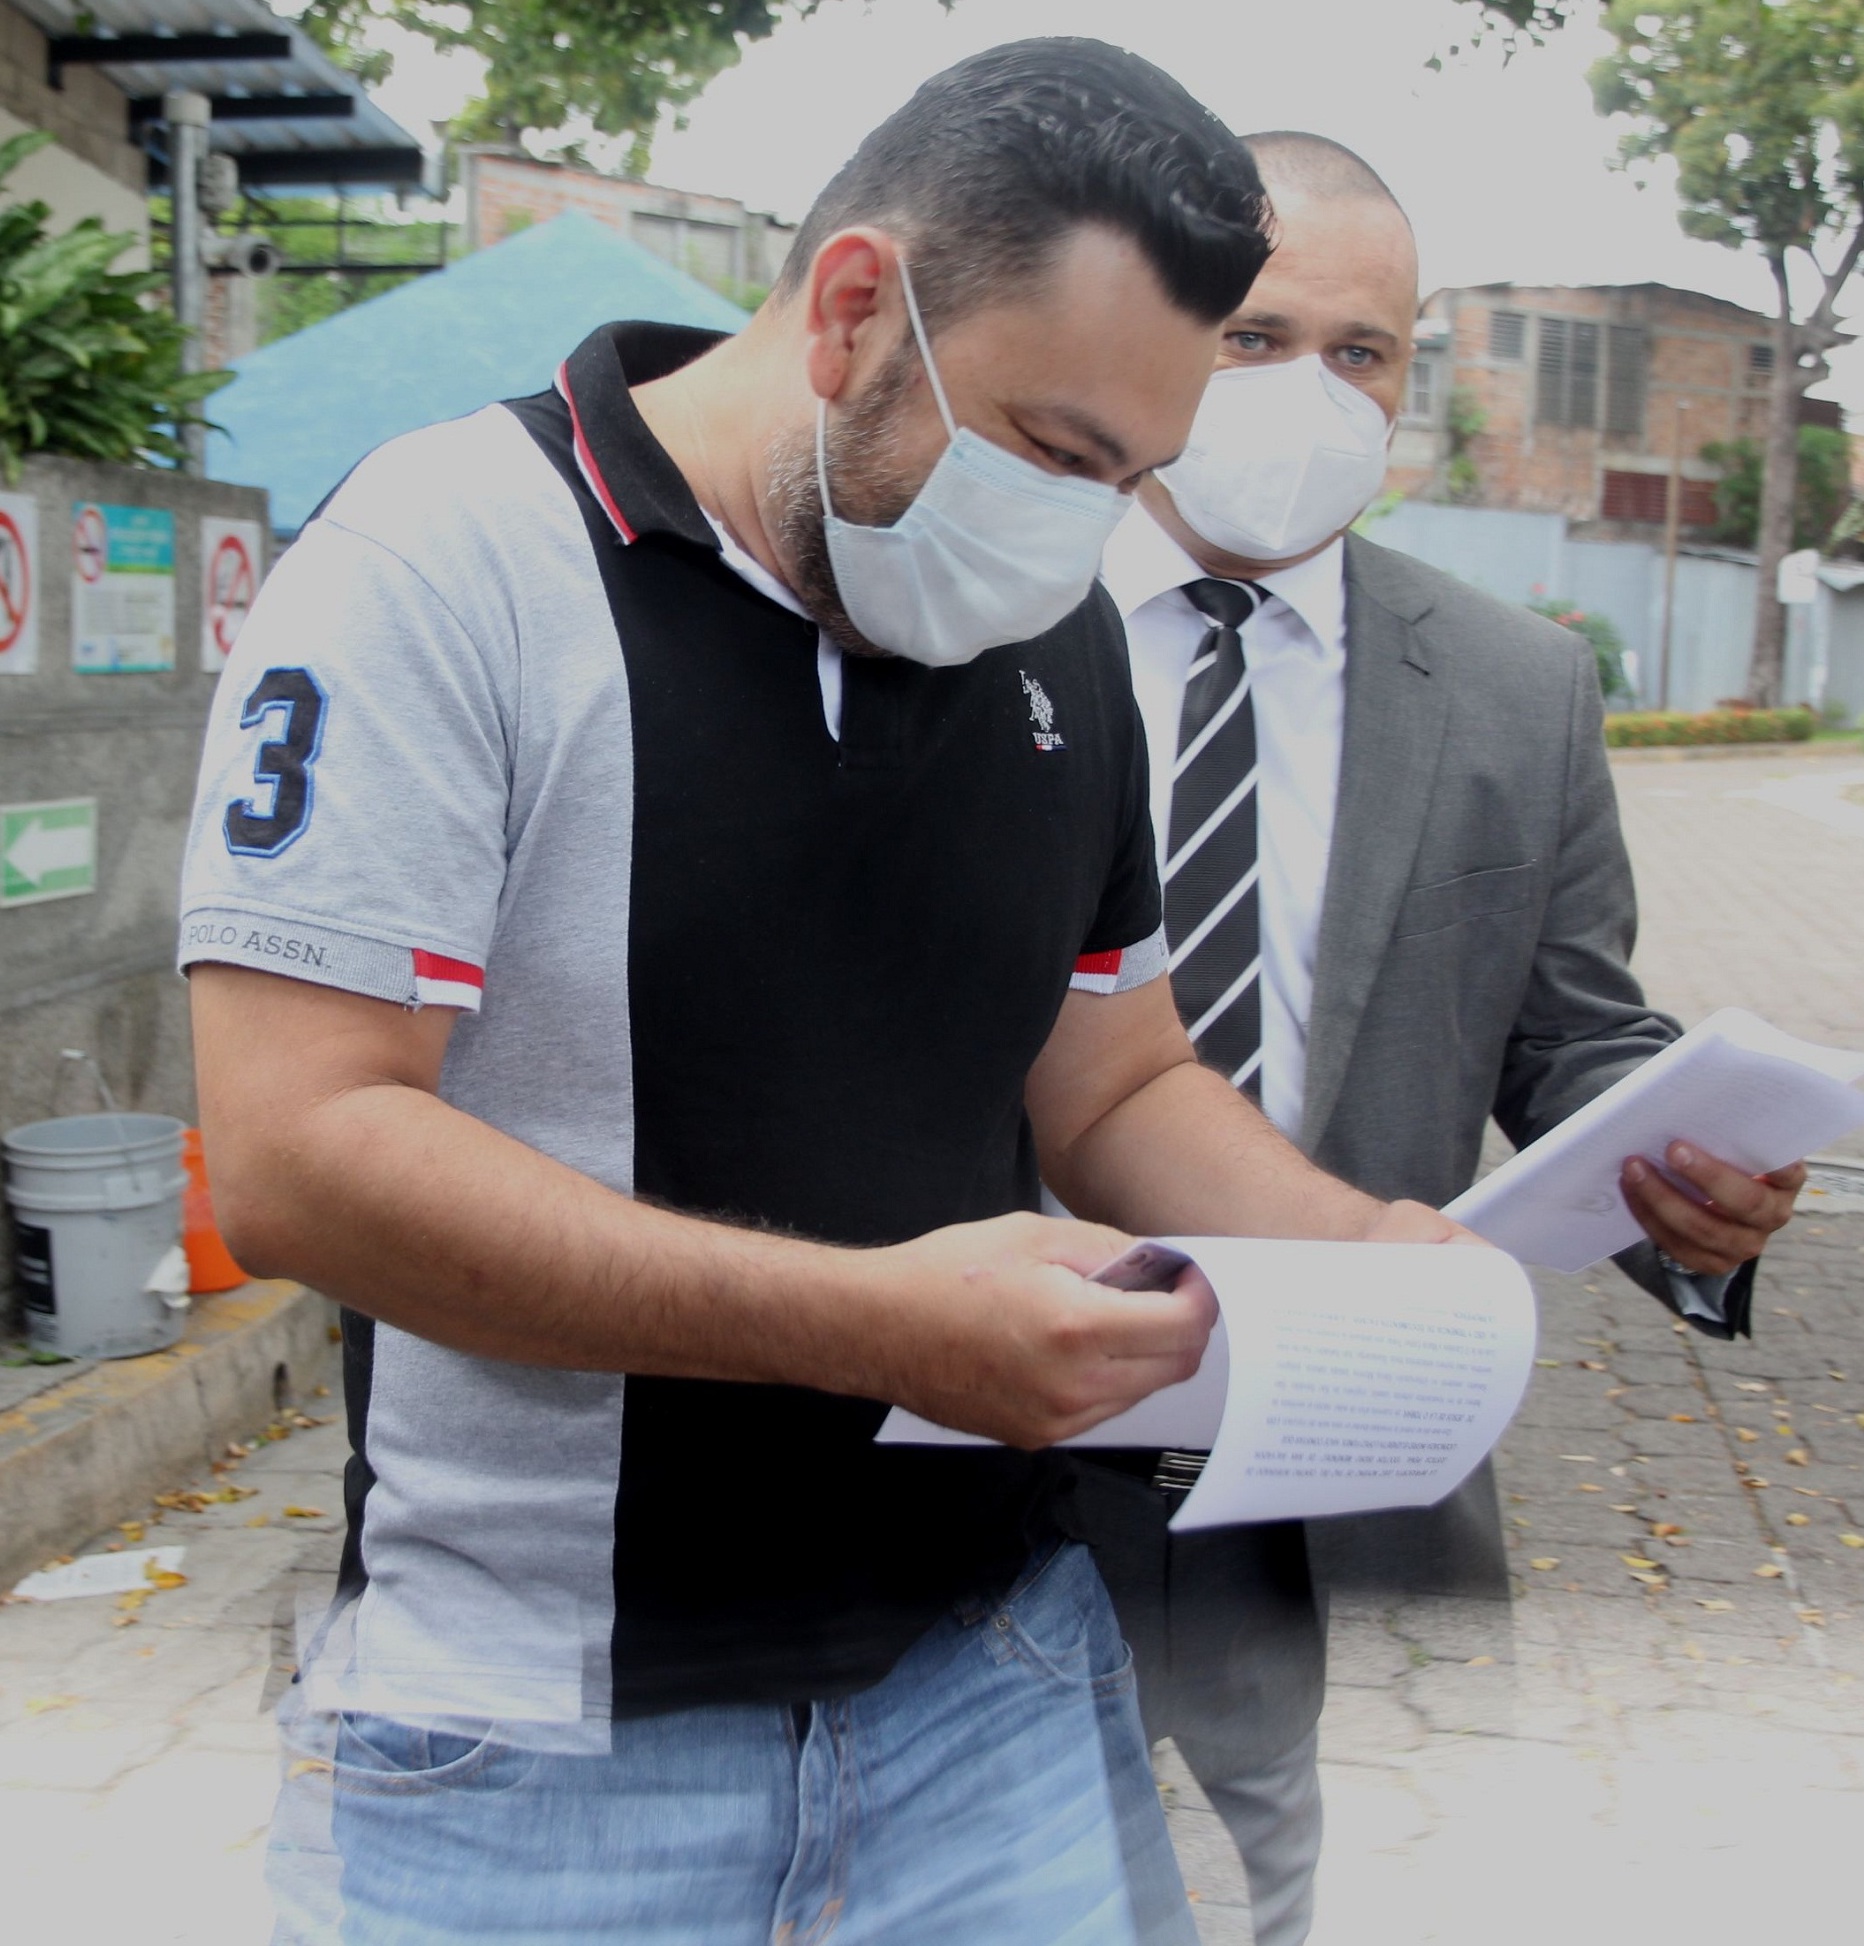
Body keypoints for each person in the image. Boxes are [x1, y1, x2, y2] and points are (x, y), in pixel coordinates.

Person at [180, 52, 1480, 1946]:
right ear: (857, 305)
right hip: (544, 1742)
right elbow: (300, 1154)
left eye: (1135, 475)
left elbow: (1114, 1083)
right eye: (1057, 450)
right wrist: (881, 1327)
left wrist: (1365, 1251)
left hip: (997, 1686)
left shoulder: (1052, 635)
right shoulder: (442, 562)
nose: (1086, 526)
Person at [1072, 129, 1806, 1946]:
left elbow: (1575, 1040)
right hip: (989, 1465)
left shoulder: (1515, 686)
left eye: (1363, 351)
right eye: (1256, 337)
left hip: (1352, 1480)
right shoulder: (981, 628)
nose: (1310, 392)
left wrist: (1691, 1171)